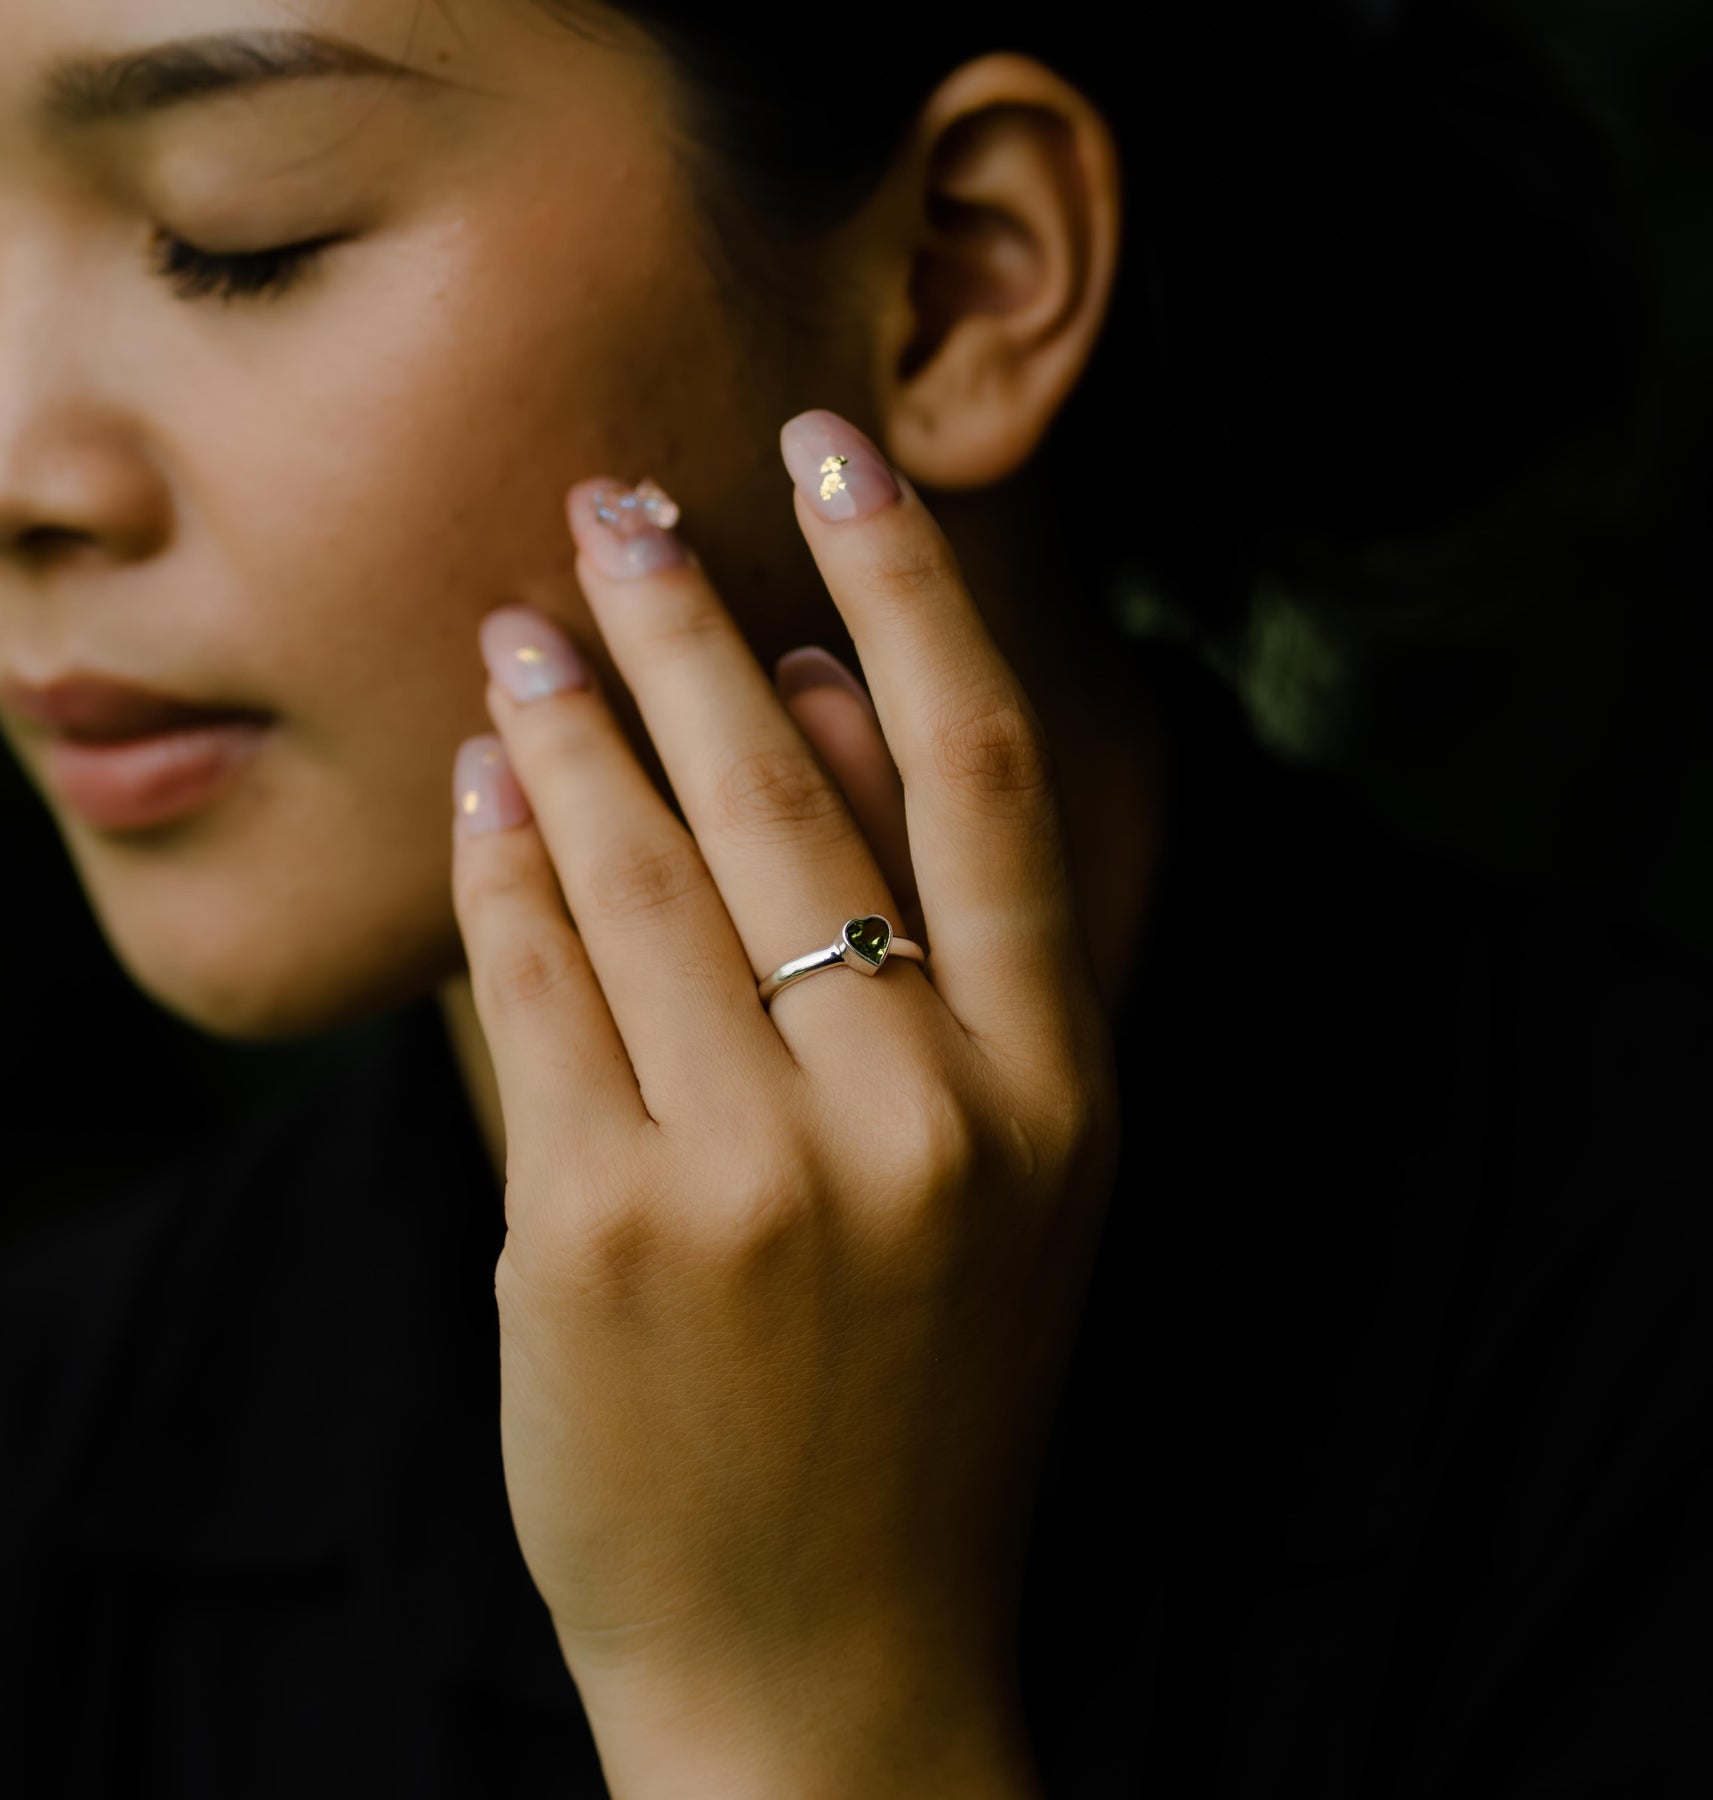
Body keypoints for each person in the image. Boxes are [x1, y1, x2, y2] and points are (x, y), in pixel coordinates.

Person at [1, 2, 1705, 1795]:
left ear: (963, 281)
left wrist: (795, 1699)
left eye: (237, 236)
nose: (21, 474)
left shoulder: (1630, 1375)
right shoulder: (59, 1460)